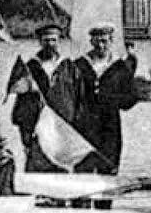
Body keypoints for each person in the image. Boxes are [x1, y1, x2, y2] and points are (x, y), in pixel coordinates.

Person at [67, 24, 143, 176]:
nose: (101, 46)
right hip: (85, 124)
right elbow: (70, 95)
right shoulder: (79, 65)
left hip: (110, 125)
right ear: (91, 42)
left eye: (104, 41)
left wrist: (137, 95)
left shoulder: (120, 67)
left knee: (108, 165)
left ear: (111, 41)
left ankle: (106, 191)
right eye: (97, 42)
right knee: (83, 167)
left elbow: (127, 101)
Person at [9, 24, 69, 172]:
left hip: (61, 123)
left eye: (54, 40)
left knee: (62, 163)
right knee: (37, 160)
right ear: (40, 42)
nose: (50, 44)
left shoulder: (67, 66)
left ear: (59, 41)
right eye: (46, 40)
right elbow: (21, 99)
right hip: (37, 122)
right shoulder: (30, 67)